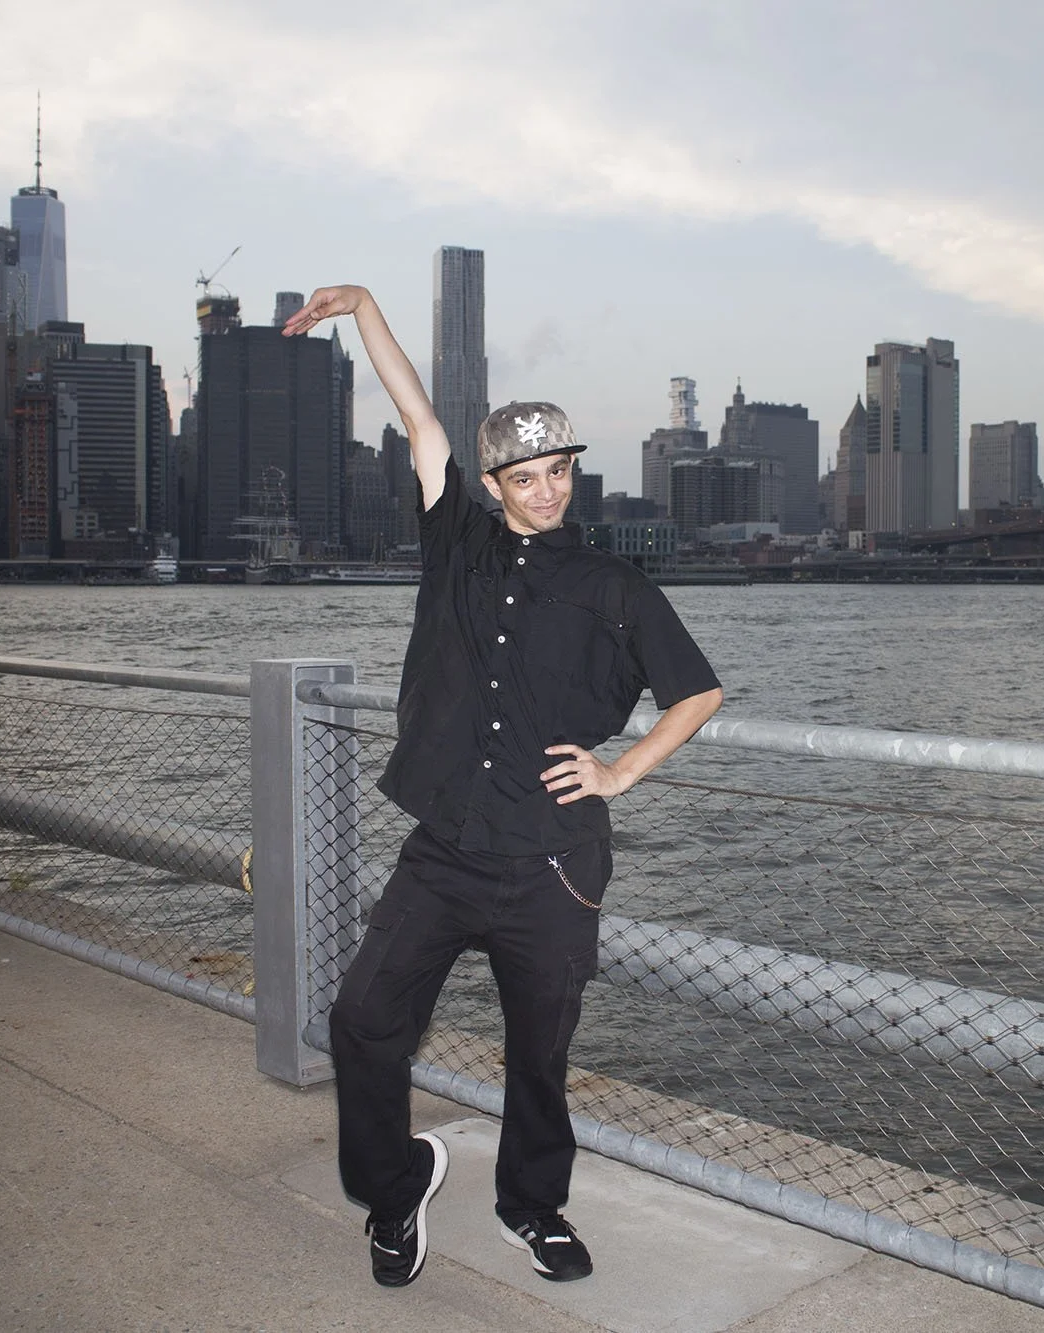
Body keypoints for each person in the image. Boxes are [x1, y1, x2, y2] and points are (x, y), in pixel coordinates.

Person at [281, 286, 723, 1289]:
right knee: (361, 1022)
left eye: (556, 470)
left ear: (573, 473)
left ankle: (532, 1206)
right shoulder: (457, 542)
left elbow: (697, 695)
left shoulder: (616, 586)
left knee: (537, 1053)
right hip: (444, 848)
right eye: (522, 475)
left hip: (553, 863)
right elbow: (418, 416)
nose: (542, 489)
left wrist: (616, 770)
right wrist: (364, 310)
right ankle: (395, 1190)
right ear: (492, 481)